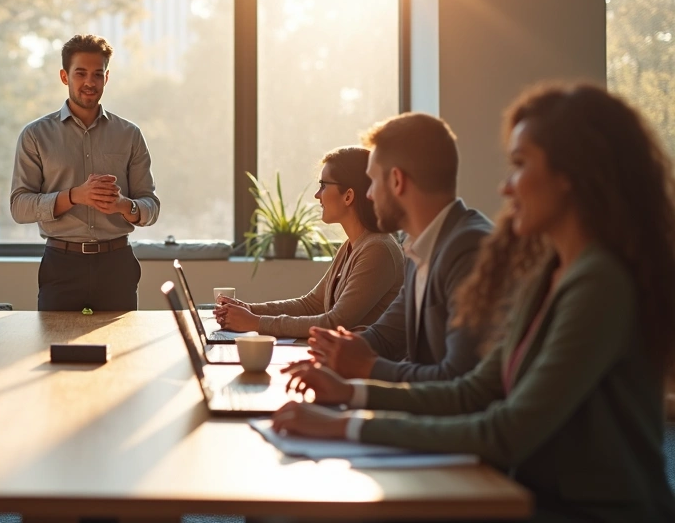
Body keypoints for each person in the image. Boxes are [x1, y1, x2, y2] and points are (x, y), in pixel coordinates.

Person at [275, 83, 675, 522]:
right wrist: (350, 392)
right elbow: (475, 390)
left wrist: (344, 425)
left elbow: (505, 431)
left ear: (571, 176)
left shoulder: (600, 282)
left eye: (520, 165)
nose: (506, 187)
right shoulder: (549, 273)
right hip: (524, 491)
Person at [307, 113, 493, 382]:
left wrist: (360, 380)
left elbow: (457, 378)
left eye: (373, 181)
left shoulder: (469, 249)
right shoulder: (419, 246)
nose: (368, 194)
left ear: (397, 181)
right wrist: (335, 351)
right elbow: (386, 335)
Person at [10, 34, 160, 311]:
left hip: (117, 264)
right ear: (64, 76)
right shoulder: (35, 135)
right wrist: (74, 196)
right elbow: (19, 207)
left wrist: (123, 205)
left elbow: (151, 207)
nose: (90, 82)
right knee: (54, 350)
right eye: (80, 73)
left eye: (97, 74)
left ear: (106, 78)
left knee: (121, 351)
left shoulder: (129, 135)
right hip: (61, 264)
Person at [214, 147, 405, 338]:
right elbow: (311, 304)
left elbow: (335, 322)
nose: (317, 195)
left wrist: (255, 322)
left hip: (365, 364)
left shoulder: (377, 249)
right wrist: (250, 310)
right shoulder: (352, 245)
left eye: (323, 185)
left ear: (348, 196)